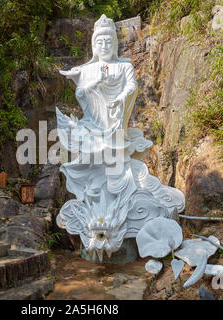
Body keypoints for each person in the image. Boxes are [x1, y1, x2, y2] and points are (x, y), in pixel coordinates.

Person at [56, 15, 185, 261]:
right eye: (100, 41)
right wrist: (82, 82)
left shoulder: (123, 65)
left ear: (114, 43)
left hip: (115, 127)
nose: (104, 45)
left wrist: (119, 98)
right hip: (94, 127)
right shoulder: (89, 67)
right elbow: (82, 90)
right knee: (90, 161)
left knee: (119, 170)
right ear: (94, 44)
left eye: (108, 41)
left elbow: (131, 87)